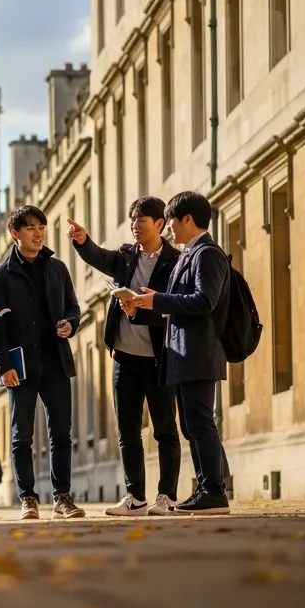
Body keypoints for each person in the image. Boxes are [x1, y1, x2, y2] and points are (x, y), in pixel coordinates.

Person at [67, 197, 183, 517]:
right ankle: (135, 497)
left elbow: (175, 307)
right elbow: (99, 257)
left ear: (159, 224)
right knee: (128, 432)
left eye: (141, 220)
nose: (134, 225)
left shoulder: (175, 262)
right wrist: (83, 241)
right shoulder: (126, 256)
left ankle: (167, 496)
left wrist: (140, 310)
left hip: (160, 358)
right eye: (132, 220)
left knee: (165, 430)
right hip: (124, 359)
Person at [117, 191, 232, 515]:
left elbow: (204, 301)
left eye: (171, 221)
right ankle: (206, 488)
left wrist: (157, 300)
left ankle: (214, 490)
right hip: (183, 353)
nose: (168, 227)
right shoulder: (189, 254)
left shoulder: (207, 254)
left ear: (188, 219)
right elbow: (177, 304)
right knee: (191, 426)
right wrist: (145, 305)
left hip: (199, 352)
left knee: (200, 423)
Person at [0, 206, 85, 520]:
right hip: (21, 366)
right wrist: (4, 366)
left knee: (61, 434)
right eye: (30, 228)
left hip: (56, 361)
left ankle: (62, 497)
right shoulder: (0, 276)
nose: (38, 233)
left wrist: (71, 324)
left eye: (41, 227)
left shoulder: (57, 268)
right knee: (21, 437)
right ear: (14, 234)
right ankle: (27, 498)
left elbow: (73, 308)